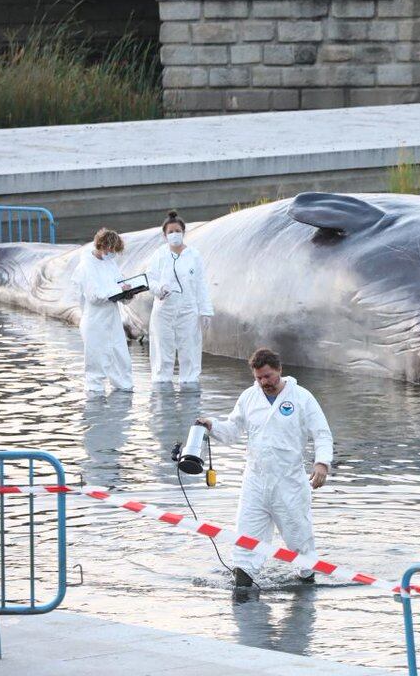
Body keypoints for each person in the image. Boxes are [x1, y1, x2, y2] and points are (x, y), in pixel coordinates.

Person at [197, 348, 333, 589]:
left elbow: (322, 433)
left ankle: (306, 584)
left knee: (299, 541)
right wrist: (212, 425)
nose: (263, 382)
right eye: (259, 378)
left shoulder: (302, 397)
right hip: (255, 482)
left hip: (289, 483)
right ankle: (243, 585)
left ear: (279, 370)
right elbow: (232, 431)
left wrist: (322, 463)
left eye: (268, 376)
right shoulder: (249, 397)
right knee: (245, 541)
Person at [147, 211, 213, 387]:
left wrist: (205, 311)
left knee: (189, 349)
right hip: (164, 309)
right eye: (170, 232)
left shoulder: (194, 255)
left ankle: (189, 385)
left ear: (183, 232)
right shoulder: (159, 255)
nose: (174, 234)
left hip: (188, 309)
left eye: (177, 231)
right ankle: (162, 386)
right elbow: (150, 279)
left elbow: (201, 284)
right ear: (165, 235)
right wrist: (159, 289)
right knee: (163, 350)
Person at [69, 228, 134, 394]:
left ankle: (124, 399)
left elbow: (119, 285)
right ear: (101, 245)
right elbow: (94, 296)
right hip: (95, 321)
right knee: (96, 366)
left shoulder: (110, 264)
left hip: (113, 320)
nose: (112, 254)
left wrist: (128, 293)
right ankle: (95, 404)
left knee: (122, 361)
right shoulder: (86, 266)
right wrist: (118, 290)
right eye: (111, 250)